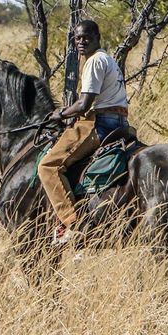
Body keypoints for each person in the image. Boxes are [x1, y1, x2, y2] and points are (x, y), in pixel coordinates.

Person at [38, 19, 129, 244]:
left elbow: (84, 104)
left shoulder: (95, 61)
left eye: (86, 37)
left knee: (48, 166)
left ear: (97, 37)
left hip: (99, 122)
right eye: (77, 38)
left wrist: (60, 114)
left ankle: (71, 224)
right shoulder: (107, 59)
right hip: (120, 121)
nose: (81, 41)